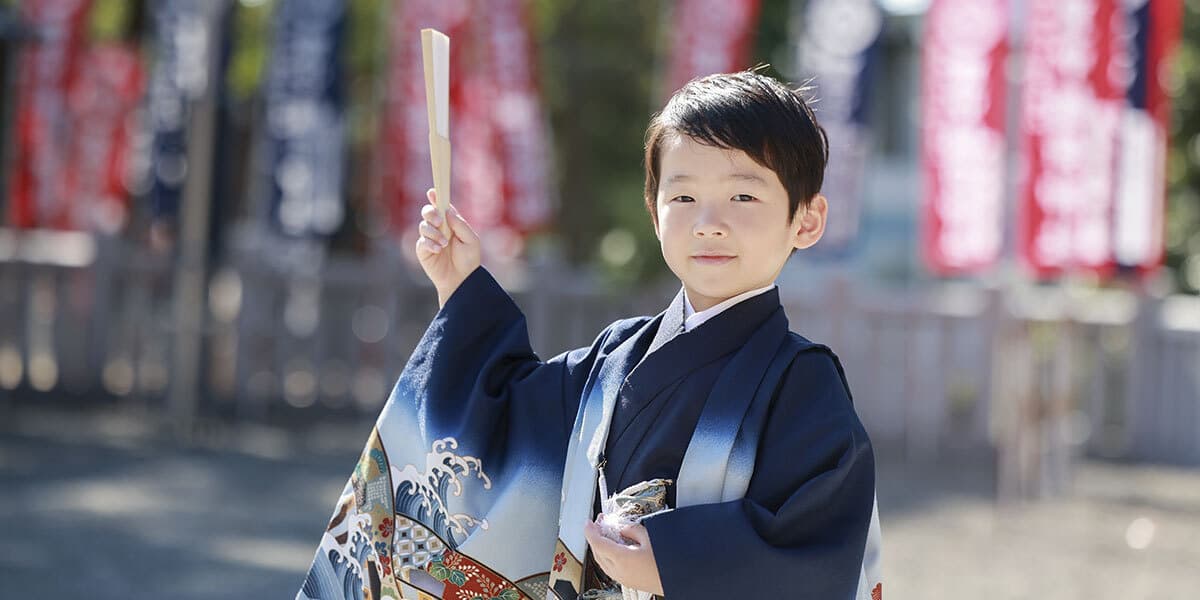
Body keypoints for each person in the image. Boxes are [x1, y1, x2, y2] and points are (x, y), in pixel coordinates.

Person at [297, 70, 882, 600]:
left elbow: (819, 543)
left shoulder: (800, 382)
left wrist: (678, 561)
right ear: (654, 213)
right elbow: (504, 420)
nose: (709, 222)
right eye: (683, 196)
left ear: (806, 220)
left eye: (743, 195)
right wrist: (460, 286)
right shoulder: (617, 356)